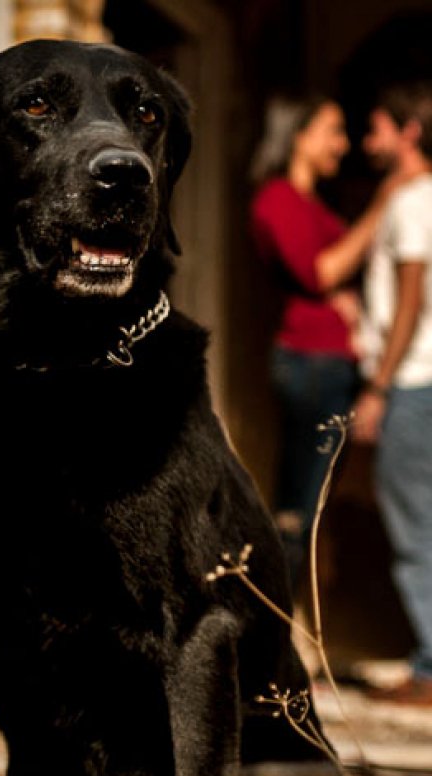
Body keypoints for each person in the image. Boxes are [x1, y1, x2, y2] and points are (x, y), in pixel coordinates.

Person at [250, 97, 397, 591]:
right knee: (299, 508)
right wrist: (383, 203)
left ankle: (299, 635)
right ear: (300, 136)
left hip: (334, 361)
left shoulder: (316, 205)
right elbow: (319, 272)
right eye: (333, 130)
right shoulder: (276, 199)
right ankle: (282, 638)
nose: (343, 143)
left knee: (314, 504)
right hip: (309, 361)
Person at [352, 82, 432, 705]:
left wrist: (378, 387)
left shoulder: (411, 203)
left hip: (412, 382)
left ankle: (431, 668)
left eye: (376, 127)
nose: (364, 141)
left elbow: (412, 298)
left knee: (415, 529)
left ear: (407, 132)